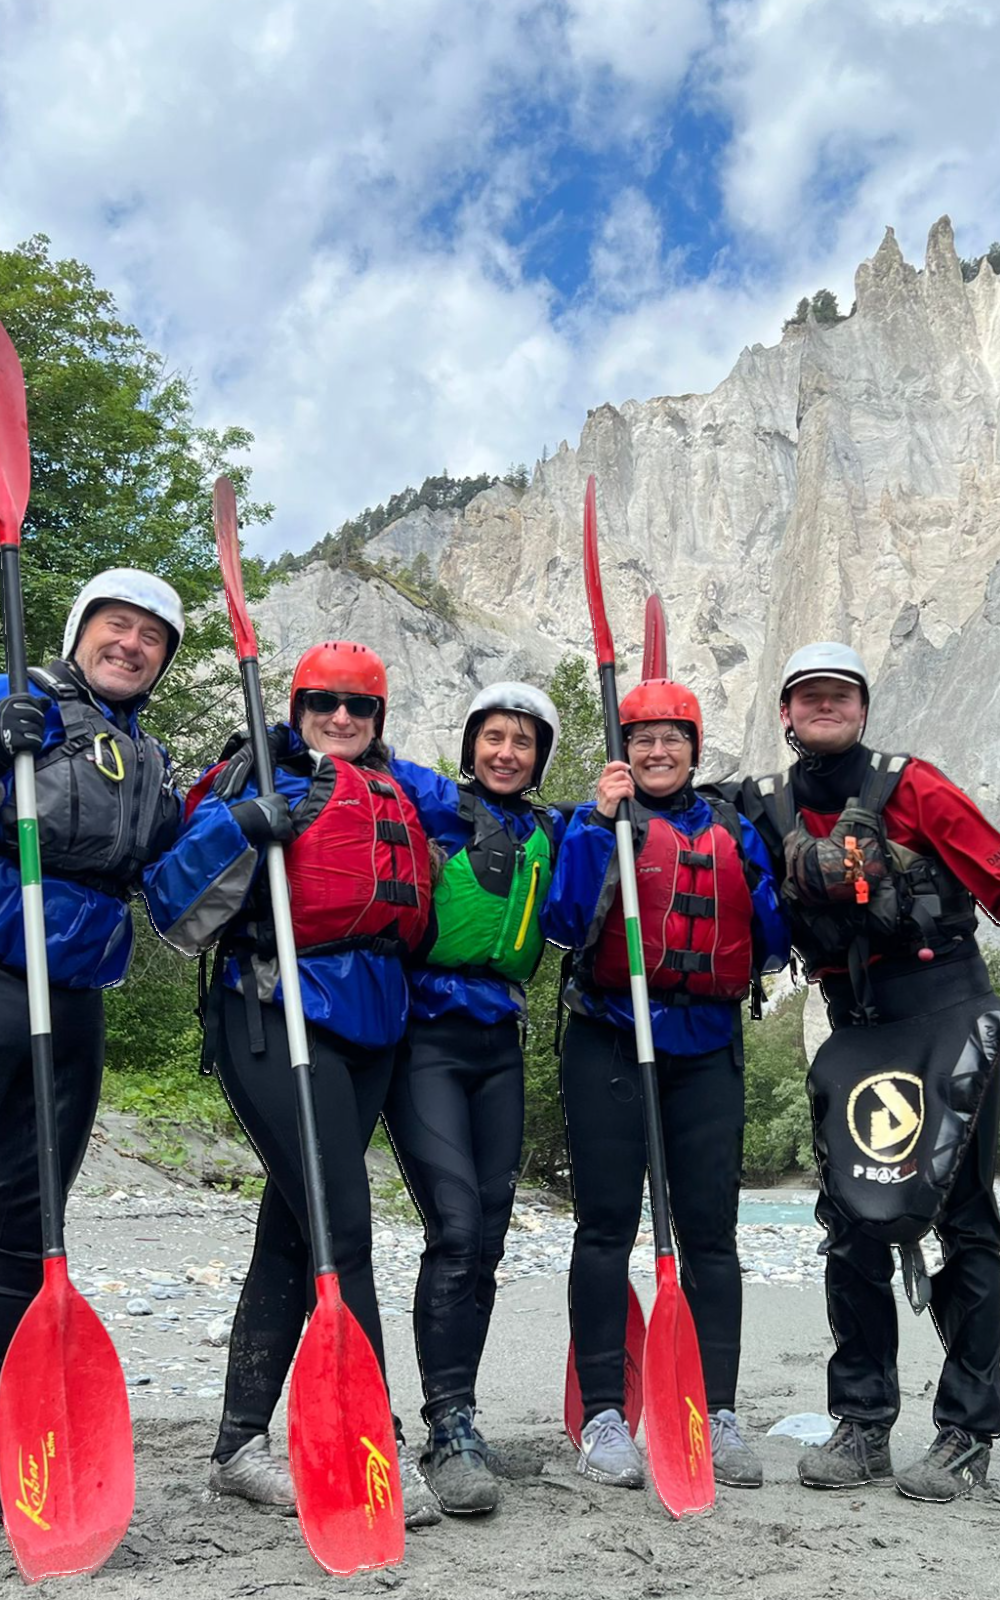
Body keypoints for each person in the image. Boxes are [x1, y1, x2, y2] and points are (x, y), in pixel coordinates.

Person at [145, 640, 441, 1526]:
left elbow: (488, 802)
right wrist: (242, 825)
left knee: (291, 1232)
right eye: (323, 702)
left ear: (379, 720)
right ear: (298, 704)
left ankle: (238, 1448)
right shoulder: (253, 775)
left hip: (371, 1028)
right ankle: (373, 1444)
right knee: (342, 1229)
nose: (341, 718)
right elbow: (169, 903)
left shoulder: (398, 788)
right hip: (273, 1017)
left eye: (359, 706)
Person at [734, 641, 1000, 1502]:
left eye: (839, 696)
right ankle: (861, 1427)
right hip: (854, 1026)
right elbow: (679, 812)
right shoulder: (763, 804)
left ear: (862, 708)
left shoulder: (912, 787)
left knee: (963, 1222)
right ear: (785, 712)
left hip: (947, 1010)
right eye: (808, 696)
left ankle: (966, 1431)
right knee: (850, 1224)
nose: (824, 707)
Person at [540, 676, 788, 1491]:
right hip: (611, 1038)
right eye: (641, 738)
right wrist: (600, 826)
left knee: (710, 1235)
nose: (656, 750)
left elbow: (773, 941)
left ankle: (716, 1411)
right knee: (606, 1230)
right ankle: (606, 1414)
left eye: (671, 738)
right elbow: (564, 925)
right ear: (624, 749)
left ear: (693, 746)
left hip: (706, 1044)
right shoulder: (594, 822)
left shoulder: (729, 826)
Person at [383, 683, 565, 1517]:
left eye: (523, 743)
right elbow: (356, 750)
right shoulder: (434, 801)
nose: (506, 753)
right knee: (454, 1228)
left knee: (486, 1238)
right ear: (471, 746)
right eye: (493, 737)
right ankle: (446, 1423)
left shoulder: (550, 830)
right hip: (425, 1037)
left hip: (501, 1043)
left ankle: (457, 1417)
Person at [0, 569, 185, 1371]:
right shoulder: (20, 705)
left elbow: (178, 879)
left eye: (152, 637)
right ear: (80, 630)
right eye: (117, 624)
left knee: (33, 1216)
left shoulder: (151, 757)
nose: (131, 644)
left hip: (76, 999)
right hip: (4, 973)